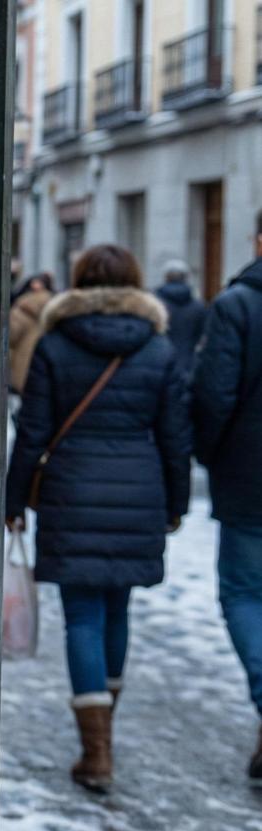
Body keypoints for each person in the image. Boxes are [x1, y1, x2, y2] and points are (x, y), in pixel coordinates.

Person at [5, 244, 190, 793]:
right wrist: (175, 505)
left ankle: (96, 751)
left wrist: (14, 500)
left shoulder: (56, 344)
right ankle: (103, 735)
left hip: (71, 490)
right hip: (139, 490)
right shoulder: (157, 349)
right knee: (117, 607)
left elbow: (33, 431)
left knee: (83, 614)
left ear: (79, 282)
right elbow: (176, 438)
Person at [190, 208, 262, 784]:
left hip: (250, 478)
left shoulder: (237, 306)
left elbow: (213, 395)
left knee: (242, 592)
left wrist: (213, 455)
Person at [155, 259, 206, 376]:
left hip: (160, 365)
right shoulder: (198, 306)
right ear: (186, 277)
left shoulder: (155, 305)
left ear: (166, 277)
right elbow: (202, 337)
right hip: (188, 366)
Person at [8, 272, 54, 394]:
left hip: (21, 368)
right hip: (46, 367)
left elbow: (10, 336)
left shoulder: (23, 307)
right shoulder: (54, 308)